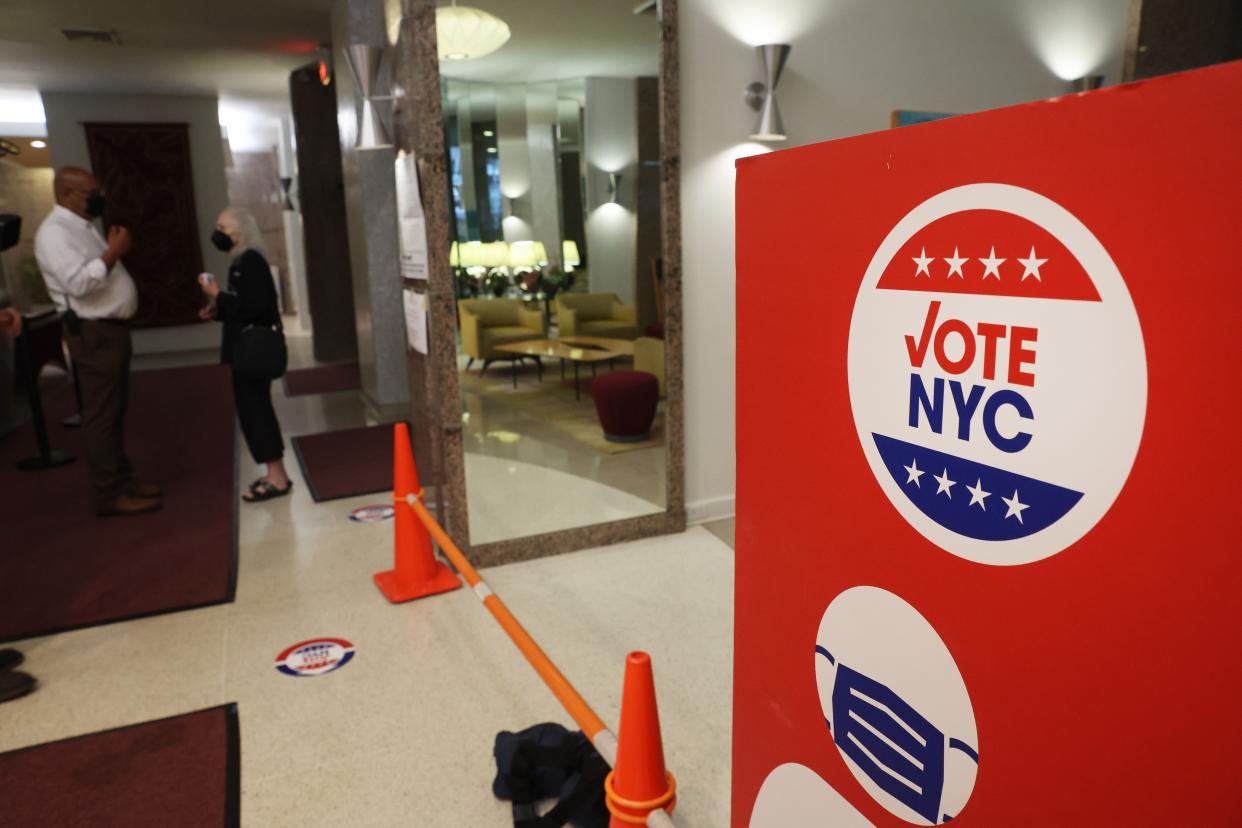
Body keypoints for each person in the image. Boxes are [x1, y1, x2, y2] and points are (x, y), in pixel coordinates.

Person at [34, 166, 161, 516]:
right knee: (101, 416)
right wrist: (113, 252)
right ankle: (110, 493)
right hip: (93, 334)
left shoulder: (81, 227)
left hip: (108, 331)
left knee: (114, 411)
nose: (97, 196)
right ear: (66, 195)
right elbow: (78, 284)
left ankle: (124, 480)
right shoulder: (55, 233)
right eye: (90, 191)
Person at [199, 207, 292, 502]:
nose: (218, 233)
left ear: (239, 232)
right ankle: (274, 472)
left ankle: (277, 478)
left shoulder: (251, 261)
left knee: (256, 410)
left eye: (222, 227)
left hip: (253, 351)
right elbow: (242, 307)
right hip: (244, 348)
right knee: (253, 410)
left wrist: (217, 294)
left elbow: (256, 307)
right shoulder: (240, 262)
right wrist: (217, 311)